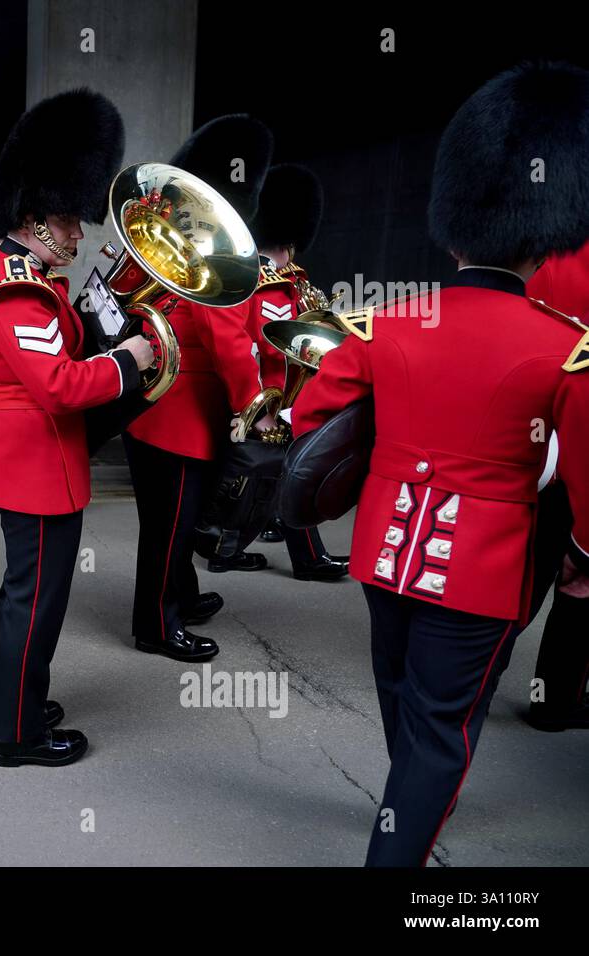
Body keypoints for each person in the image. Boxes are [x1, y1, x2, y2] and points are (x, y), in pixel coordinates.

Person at [291, 62, 589, 866]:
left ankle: (406, 805)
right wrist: (582, 558)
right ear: (545, 238)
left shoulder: (388, 320)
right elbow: (588, 475)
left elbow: (314, 420)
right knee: (441, 730)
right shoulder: (566, 350)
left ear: (452, 230)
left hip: (384, 551)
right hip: (483, 572)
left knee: (402, 699)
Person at [0, 88, 154, 768]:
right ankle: (16, 735)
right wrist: (127, 361)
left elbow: (62, 345)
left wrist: (109, 318)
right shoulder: (17, 287)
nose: (78, 233)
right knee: (35, 604)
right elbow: (58, 385)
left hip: (34, 464)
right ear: (33, 219)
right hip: (37, 468)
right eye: (67, 221)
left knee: (28, 596)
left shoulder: (29, 278)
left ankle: (7, 703)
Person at [122, 115, 275, 663]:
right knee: (171, 529)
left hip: (150, 408)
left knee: (165, 523)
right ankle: (157, 626)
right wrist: (254, 406)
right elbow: (229, 337)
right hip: (182, 419)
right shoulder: (218, 260)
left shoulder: (172, 249)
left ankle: (180, 594)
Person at [237, 164, 348, 581]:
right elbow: (272, 346)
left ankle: (233, 544)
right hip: (271, 395)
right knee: (291, 468)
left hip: (269, 395)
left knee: (273, 474)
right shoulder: (268, 282)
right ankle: (306, 556)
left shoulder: (280, 278)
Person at [522, 239, 589, 731]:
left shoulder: (548, 249)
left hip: (536, 438)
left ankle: (473, 677)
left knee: (529, 567)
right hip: (575, 439)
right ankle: (555, 699)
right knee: (581, 578)